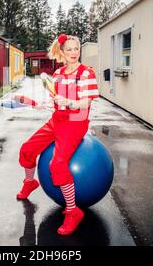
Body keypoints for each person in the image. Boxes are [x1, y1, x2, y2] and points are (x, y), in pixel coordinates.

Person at [16, 33, 99, 235]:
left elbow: (86, 102)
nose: (73, 53)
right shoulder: (59, 73)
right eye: (69, 49)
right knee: (27, 150)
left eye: (76, 49)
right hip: (57, 120)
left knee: (58, 164)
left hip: (75, 123)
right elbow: (56, 100)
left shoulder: (87, 73)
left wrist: (68, 102)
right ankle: (30, 182)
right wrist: (41, 103)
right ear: (62, 52)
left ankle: (73, 211)